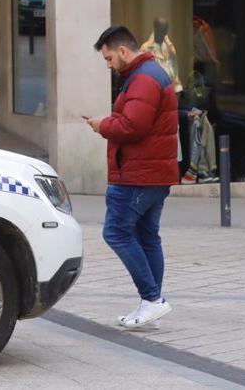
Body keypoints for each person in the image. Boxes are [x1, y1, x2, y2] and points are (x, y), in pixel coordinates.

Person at [87, 25, 179, 330]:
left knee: (116, 232)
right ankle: (151, 303)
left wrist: (103, 125)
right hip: (152, 173)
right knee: (147, 235)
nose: (109, 65)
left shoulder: (143, 79)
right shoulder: (150, 74)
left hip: (138, 175)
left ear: (124, 51)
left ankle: (152, 299)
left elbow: (133, 127)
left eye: (110, 58)